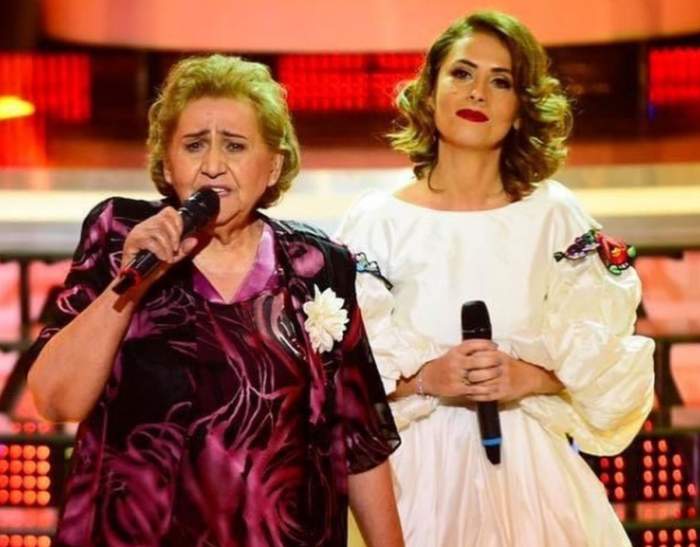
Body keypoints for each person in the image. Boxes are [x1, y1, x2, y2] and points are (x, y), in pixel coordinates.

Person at [26, 54, 403, 547]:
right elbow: (57, 400)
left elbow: (359, 438)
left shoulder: (316, 265)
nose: (212, 165)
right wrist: (130, 285)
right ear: (167, 163)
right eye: (194, 145)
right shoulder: (120, 234)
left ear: (274, 165)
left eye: (235, 145)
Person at [336, 10, 654, 547]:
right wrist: (427, 381)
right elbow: (337, 383)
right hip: (410, 489)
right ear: (429, 91)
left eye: (500, 81)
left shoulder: (555, 216)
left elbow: (604, 365)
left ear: (521, 107)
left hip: (535, 488)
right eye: (462, 73)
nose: (477, 93)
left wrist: (527, 377)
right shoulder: (377, 221)